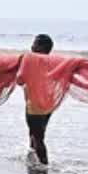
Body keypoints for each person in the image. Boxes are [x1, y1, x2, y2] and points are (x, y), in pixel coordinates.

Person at [22, 34, 56, 165]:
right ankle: (33, 160)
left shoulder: (32, 61)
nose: (32, 46)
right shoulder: (53, 63)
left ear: (42, 47)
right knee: (37, 133)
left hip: (35, 104)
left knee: (37, 137)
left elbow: (20, 79)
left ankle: (43, 167)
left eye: (35, 44)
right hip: (48, 104)